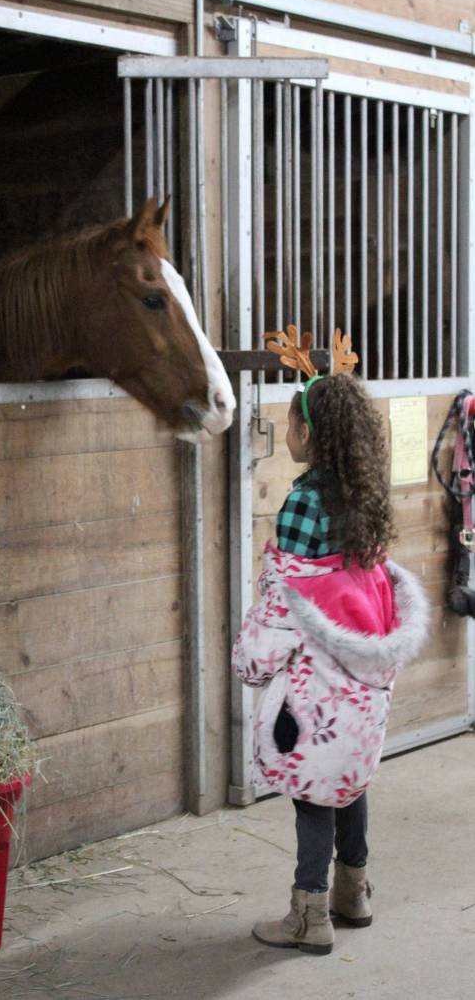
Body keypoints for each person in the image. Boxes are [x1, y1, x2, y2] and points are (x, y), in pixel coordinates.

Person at [232, 368, 429, 956]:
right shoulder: (366, 497)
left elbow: (286, 600)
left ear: (309, 434)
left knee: (314, 791)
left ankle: (308, 914)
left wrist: (252, 660)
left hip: (316, 683)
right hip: (365, 680)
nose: (285, 430)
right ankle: (354, 892)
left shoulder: (302, 502)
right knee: (349, 780)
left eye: (292, 421)